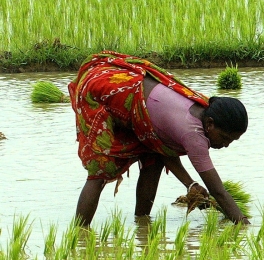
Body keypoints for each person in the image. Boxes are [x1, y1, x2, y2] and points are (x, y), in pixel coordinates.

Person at [70, 51, 249, 226]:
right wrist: (244, 225)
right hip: (101, 90)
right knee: (100, 170)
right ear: (210, 124)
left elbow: (163, 148)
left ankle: (142, 223)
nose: (226, 145)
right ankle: (79, 234)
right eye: (225, 138)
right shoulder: (194, 135)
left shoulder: (207, 107)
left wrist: (190, 184)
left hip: (135, 95)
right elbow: (218, 191)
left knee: (153, 160)